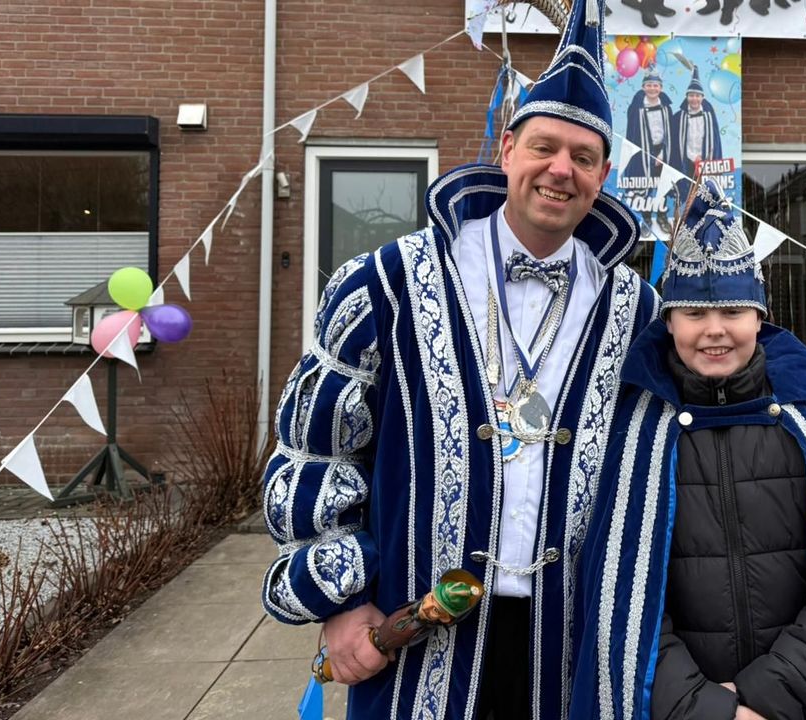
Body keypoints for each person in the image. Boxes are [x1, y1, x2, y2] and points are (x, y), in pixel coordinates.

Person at [259, 1, 659, 717]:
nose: (561, 170)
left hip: (572, 644)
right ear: (507, 149)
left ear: (602, 177)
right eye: (545, 147)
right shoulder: (382, 283)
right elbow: (316, 452)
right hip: (416, 634)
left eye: (585, 157)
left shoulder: (638, 309)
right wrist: (344, 603)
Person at [570, 181, 806, 720]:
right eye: (694, 314)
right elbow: (620, 597)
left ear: (760, 316)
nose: (715, 331)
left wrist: (768, 698)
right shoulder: (636, 431)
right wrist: (707, 709)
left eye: (733, 311)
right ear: (669, 322)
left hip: (799, 705)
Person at [622, 70, 674, 239]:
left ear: (661, 88)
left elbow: (671, 133)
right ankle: (646, 219)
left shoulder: (666, 108)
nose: (653, 88)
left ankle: (662, 217)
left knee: (663, 186)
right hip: (642, 151)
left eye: (656, 85)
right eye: (649, 85)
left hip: (662, 150)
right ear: (644, 87)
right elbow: (632, 133)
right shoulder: (636, 108)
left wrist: (664, 153)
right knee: (645, 185)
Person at [669, 67, 722, 190]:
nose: (694, 99)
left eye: (697, 96)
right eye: (691, 95)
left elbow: (715, 142)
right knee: (687, 194)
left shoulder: (709, 117)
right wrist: (694, 158)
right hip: (685, 163)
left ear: (702, 98)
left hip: (705, 164)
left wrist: (706, 160)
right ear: (687, 97)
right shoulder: (678, 118)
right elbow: (675, 144)